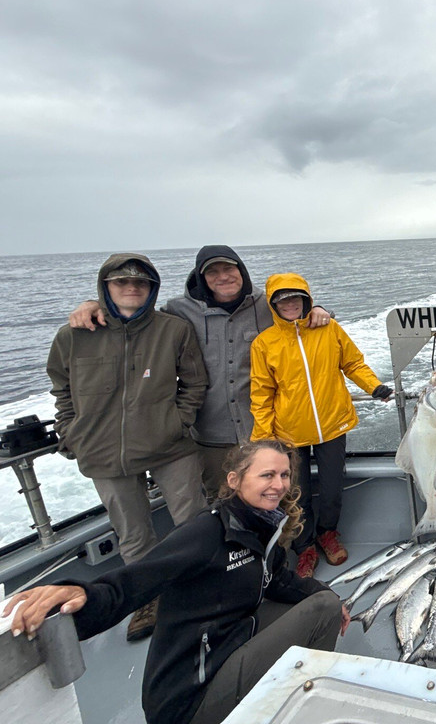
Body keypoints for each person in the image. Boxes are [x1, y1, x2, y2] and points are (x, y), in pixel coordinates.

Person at [2, 440, 347, 724]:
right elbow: (133, 584)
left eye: (285, 474)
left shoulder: (260, 525)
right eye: (267, 475)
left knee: (317, 602)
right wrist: (80, 593)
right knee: (323, 610)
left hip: (227, 645)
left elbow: (276, 581)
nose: (279, 485)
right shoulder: (205, 534)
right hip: (189, 700)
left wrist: (323, 590)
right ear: (234, 480)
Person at [67, 245, 332, 496]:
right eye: (213, 272)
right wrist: (95, 304)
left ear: (242, 271)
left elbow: (298, 311)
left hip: (268, 430)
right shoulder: (179, 311)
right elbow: (137, 319)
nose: (223, 277)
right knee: (223, 502)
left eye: (230, 269)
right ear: (201, 278)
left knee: (281, 499)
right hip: (211, 436)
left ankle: (286, 545)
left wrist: (320, 309)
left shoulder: (266, 306)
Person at [47, 253, 209, 641]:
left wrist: (178, 422)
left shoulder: (173, 329)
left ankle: (201, 589)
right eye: (122, 282)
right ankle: (146, 600)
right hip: (104, 453)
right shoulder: (73, 335)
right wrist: (71, 433)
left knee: (194, 521)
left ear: (153, 289)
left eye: (141, 283)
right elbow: (61, 389)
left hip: (170, 446)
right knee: (133, 535)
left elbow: (195, 383)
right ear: (106, 287)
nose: (132, 288)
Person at [250, 273, 393, 578]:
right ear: (273, 305)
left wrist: (374, 387)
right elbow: (262, 392)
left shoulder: (329, 330)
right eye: (282, 300)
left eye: (295, 298)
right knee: (295, 492)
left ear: (306, 300)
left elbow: (353, 363)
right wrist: (263, 438)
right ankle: (305, 547)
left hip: (332, 424)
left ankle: (328, 533)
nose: (290, 304)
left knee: (332, 488)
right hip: (289, 432)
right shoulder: (265, 344)